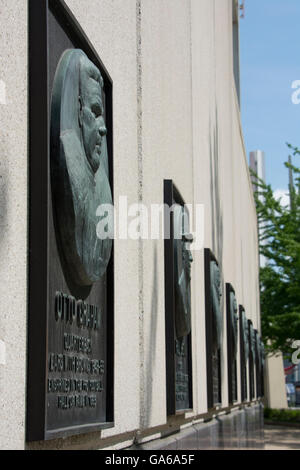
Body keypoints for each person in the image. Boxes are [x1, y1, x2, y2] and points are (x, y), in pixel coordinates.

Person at [51, 49, 113, 288]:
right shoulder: (70, 156)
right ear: (78, 110)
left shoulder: (104, 191)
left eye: (102, 117)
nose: (102, 128)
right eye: (95, 112)